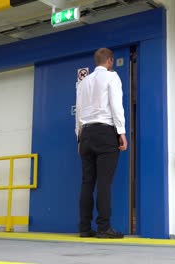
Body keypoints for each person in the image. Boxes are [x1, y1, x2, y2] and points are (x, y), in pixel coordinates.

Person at [75, 48, 127, 239]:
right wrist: (121, 132)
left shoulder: (83, 82)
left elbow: (79, 112)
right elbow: (116, 105)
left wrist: (79, 138)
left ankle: (84, 228)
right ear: (110, 61)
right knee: (104, 183)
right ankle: (104, 228)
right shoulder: (112, 77)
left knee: (87, 182)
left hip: (86, 133)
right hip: (105, 132)